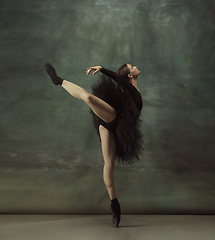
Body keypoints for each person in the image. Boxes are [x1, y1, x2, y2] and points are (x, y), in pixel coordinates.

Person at [44, 63, 144, 227]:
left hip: (115, 127)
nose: (135, 66)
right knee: (88, 97)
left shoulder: (133, 89)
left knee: (109, 166)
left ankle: (114, 205)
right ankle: (59, 81)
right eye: (132, 66)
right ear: (130, 75)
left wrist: (104, 70)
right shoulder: (128, 85)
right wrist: (103, 69)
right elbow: (118, 79)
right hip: (112, 116)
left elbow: (120, 81)